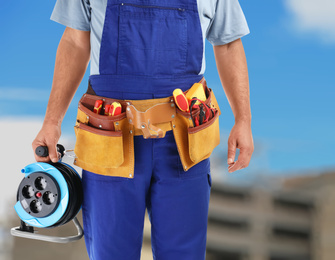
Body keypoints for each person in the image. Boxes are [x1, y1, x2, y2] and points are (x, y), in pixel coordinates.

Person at [30, 0, 253, 259]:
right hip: (110, 138)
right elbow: (75, 41)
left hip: (184, 142)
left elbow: (228, 43)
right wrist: (51, 122)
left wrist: (243, 120)